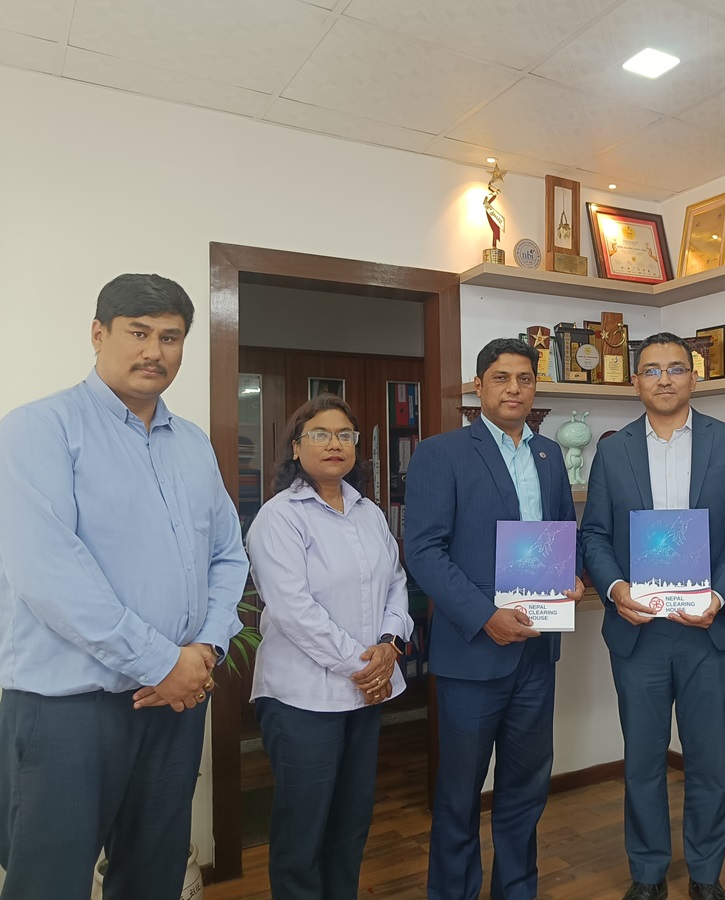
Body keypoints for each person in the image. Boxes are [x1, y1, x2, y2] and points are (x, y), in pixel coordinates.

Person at [0, 273, 248, 900]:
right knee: (50, 882)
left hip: (175, 703)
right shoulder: (39, 428)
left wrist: (205, 649)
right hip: (70, 710)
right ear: (98, 333)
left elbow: (228, 555)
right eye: (138, 333)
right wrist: (163, 661)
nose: (154, 351)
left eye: (170, 337)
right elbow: (49, 574)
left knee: (153, 876)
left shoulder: (192, 443)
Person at [580, 332, 725, 900]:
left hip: (708, 631)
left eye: (676, 368)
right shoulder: (612, 451)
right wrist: (615, 589)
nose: (664, 379)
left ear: (694, 377)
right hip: (639, 633)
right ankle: (648, 872)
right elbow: (595, 534)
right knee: (642, 761)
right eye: (653, 370)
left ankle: (706, 874)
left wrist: (720, 597)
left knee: (709, 760)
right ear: (636, 381)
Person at [405, 337, 583, 900]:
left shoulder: (548, 454)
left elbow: (562, 532)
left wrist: (574, 576)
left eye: (524, 379)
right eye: (501, 378)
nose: (514, 389)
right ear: (478, 386)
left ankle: (517, 890)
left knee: (526, 790)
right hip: (473, 652)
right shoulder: (441, 453)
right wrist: (485, 617)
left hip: (537, 651)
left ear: (535, 388)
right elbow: (423, 551)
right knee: (460, 794)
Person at [246, 394, 414, 900]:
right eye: (319, 434)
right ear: (296, 448)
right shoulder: (279, 517)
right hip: (302, 698)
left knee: (350, 822)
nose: (334, 443)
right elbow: (293, 610)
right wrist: (364, 665)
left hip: (364, 694)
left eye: (345, 434)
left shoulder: (369, 513)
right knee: (303, 830)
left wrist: (389, 643)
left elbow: (396, 582)